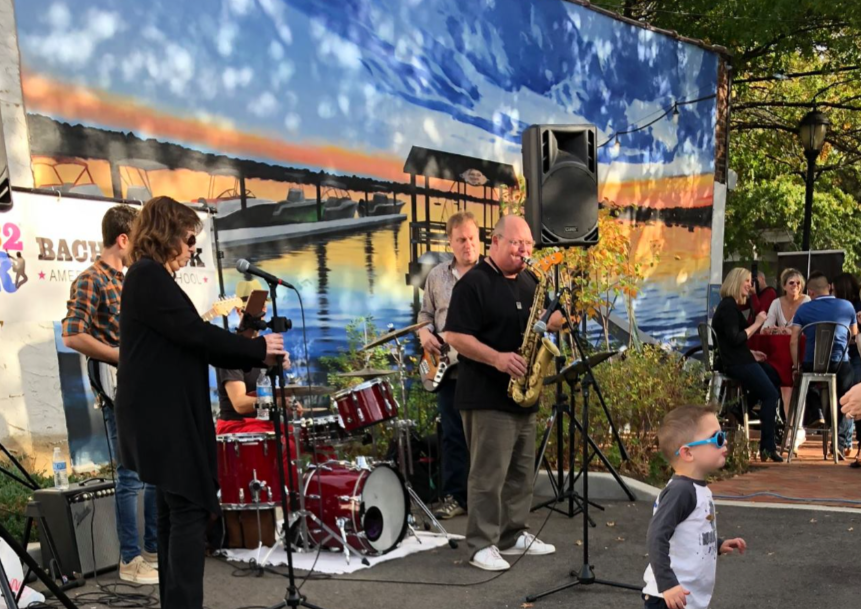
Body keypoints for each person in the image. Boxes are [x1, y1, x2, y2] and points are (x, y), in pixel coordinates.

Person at [115, 197, 285, 609]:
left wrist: (245, 345)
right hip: (164, 418)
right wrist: (259, 349)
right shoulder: (147, 275)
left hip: (160, 415)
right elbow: (195, 335)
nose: (193, 248)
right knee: (189, 509)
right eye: (189, 239)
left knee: (174, 513)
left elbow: (191, 340)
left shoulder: (150, 277)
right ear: (167, 233)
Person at [444, 214, 563, 571]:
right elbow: (455, 336)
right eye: (516, 243)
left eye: (527, 244)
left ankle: (513, 534)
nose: (523, 250)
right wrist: (497, 358)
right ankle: (480, 544)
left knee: (521, 472)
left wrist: (554, 319)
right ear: (495, 241)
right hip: (485, 395)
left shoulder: (530, 281)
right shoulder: (473, 284)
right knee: (488, 475)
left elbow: (540, 323)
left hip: (523, 393)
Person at [61, 204, 158, 585]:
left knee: (153, 472)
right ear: (122, 239)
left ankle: (153, 551)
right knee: (129, 475)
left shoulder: (131, 280)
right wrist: (119, 356)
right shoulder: (91, 279)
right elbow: (72, 334)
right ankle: (130, 559)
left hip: (143, 386)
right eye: (138, 239)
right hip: (118, 386)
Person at [642, 406, 747, 609]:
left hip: (684, 596)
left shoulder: (696, 489)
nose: (725, 441)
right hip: (670, 597)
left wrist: (717, 544)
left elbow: (692, 531)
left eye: (723, 435)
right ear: (688, 453)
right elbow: (656, 536)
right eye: (717, 438)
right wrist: (667, 584)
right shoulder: (681, 491)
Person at [417, 211, 480, 520]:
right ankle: (456, 497)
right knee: (453, 435)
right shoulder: (437, 276)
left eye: (472, 238)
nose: (468, 245)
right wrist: (423, 333)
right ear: (450, 243)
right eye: (461, 240)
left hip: (481, 369)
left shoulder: (490, 276)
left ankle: (483, 499)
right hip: (447, 369)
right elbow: (425, 313)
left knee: (482, 437)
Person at [711, 268, 782, 462]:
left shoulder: (730, 306)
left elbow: (731, 342)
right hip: (736, 363)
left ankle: (740, 407)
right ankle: (767, 448)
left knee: (774, 376)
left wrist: (751, 353)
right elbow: (735, 338)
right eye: (747, 281)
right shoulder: (728, 308)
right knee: (770, 394)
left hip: (740, 358)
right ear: (737, 282)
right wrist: (757, 323)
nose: (750, 285)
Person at [791, 272, 858, 458]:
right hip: (840, 364)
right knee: (846, 398)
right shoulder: (847, 306)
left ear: (810, 292)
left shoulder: (803, 309)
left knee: (804, 381)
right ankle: (840, 443)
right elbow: (853, 336)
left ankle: (816, 411)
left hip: (812, 365)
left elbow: (793, 340)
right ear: (829, 287)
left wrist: (796, 366)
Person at [833, 272, 861, 458]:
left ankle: (842, 442)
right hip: (847, 355)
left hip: (853, 355)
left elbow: (853, 335)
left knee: (850, 397)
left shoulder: (850, 306)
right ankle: (846, 442)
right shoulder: (842, 306)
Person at [763, 268, 810, 332]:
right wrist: (774, 330)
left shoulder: (806, 301)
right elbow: (765, 328)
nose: (795, 285)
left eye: (798, 283)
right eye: (791, 282)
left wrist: (788, 330)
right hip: (782, 338)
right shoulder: (776, 303)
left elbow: (807, 326)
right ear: (784, 286)